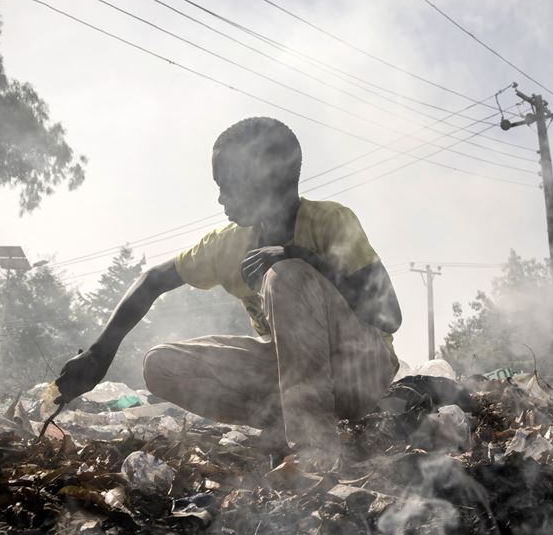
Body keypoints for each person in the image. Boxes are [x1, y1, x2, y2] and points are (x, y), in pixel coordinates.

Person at [54, 117, 402, 470]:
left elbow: (390, 315)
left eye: (228, 184)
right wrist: (100, 353)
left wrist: (306, 259)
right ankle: (283, 427)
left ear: (268, 176)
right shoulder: (230, 243)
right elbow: (153, 280)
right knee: (160, 365)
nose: (221, 198)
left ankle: (315, 449)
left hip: (359, 371)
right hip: (292, 378)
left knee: (286, 274)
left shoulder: (331, 221)